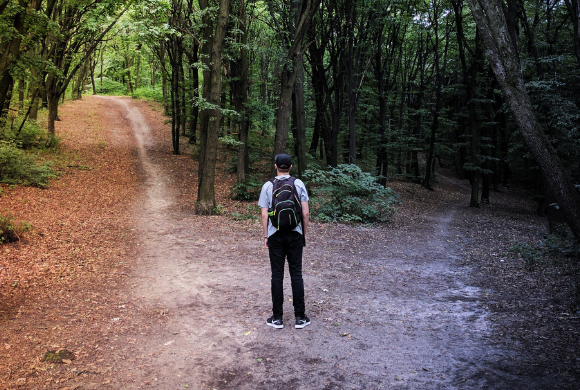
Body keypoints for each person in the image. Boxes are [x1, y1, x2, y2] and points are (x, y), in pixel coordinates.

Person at [258, 154, 310, 329]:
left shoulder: (267, 186)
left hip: (275, 235)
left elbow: (264, 214)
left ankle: (277, 318)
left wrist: (266, 235)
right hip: (295, 233)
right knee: (296, 274)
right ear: (291, 166)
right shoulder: (299, 184)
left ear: (275, 166)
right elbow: (305, 213)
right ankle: (300, 318)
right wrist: (304, 234)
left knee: (277, 275)